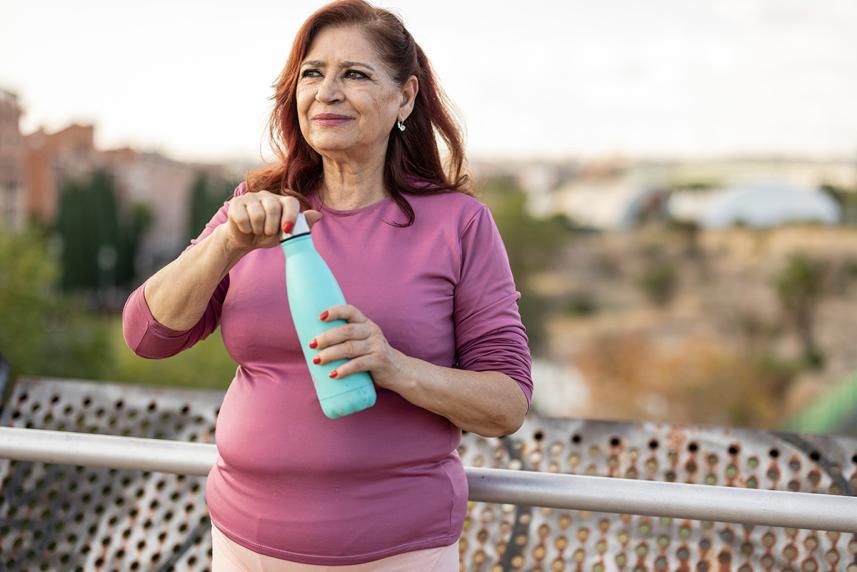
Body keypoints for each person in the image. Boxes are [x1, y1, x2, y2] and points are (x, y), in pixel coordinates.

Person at [122, 1, 533, 569]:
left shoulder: (459, 224)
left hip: (398, 551)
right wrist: (227, 245)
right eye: (312, 74)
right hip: (243, 546)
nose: (328, 92)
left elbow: (506, 405)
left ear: (406, 98)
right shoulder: (257, 207)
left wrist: (395, 367)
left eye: (355, 74)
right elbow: (148, 337)